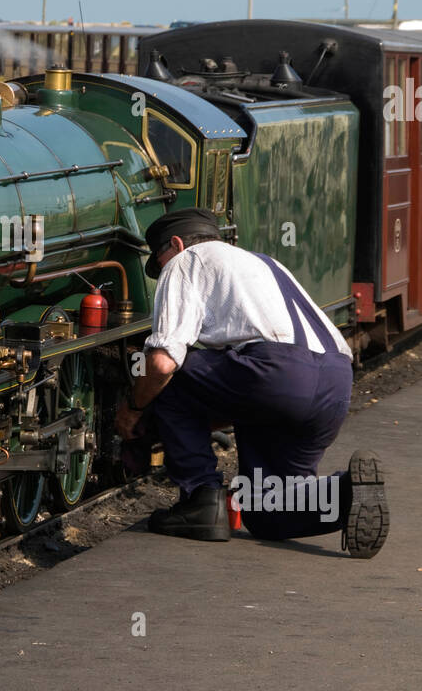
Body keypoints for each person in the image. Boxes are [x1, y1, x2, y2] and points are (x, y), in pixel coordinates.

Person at [116, 207, 389, 556]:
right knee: (267, 511)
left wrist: (135, 408)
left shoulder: (187, 260)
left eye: (160, 262)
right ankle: (347, 492)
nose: (161, 272)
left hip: (276, 372)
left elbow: (162, 361)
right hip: (334, 382)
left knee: (169, 381)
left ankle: (201, 500)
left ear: (176, 243)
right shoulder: (263, 263)